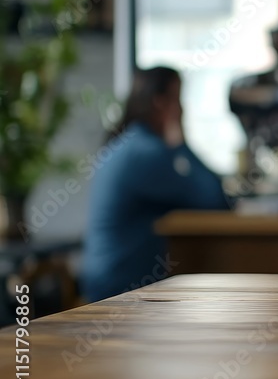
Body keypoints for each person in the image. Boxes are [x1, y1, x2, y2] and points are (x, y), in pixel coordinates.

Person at [81, 66, 230, 302]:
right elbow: (215, 200)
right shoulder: (147, 154)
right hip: (119, 289)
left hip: (106, 281)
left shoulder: (130, 144)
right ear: (161, 104)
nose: (182, 108)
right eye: (178, 99)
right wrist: (181, 143)